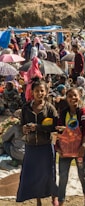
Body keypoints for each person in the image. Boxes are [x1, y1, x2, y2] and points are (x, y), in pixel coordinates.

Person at [16, 78, 59, 206]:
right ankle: (38, 199)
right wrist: (24, 129)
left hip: (45, 146)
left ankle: (54, 197)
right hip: (31, 146)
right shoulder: (26, 108)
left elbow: (55, 126)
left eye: (42, 91)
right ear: (32, 92)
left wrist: (38, 127)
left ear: (46, 92)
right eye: (37, 91)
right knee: (33, 174)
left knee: (49, 173)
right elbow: (21, 125)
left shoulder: (50, 108)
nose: (39, 93)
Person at [55, 88, 85, 206]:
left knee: (82, 175)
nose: (72, 98)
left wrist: (84, 146)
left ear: (79, 96)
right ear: (66, 98)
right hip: (65, 151)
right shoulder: (63, 113)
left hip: (80, 150)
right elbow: (58, 131)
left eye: (75, 95)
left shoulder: (84, 112)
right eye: (69, 96)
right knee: (63, 177)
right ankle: (61, 202)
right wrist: (57, 147)